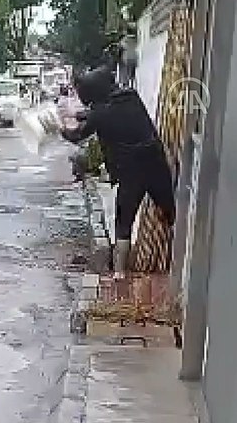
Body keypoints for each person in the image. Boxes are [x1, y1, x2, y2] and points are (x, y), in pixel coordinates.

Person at [60, 67, 175, 277]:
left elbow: (77, 135)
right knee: (170, 210)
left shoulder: (100, 114)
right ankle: (174, 256)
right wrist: (78, 113)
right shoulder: (131, 97)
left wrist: (57, 128)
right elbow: (98, 112)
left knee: (124, 221)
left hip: (130, 173)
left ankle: (120, 273)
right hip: (156, 164)